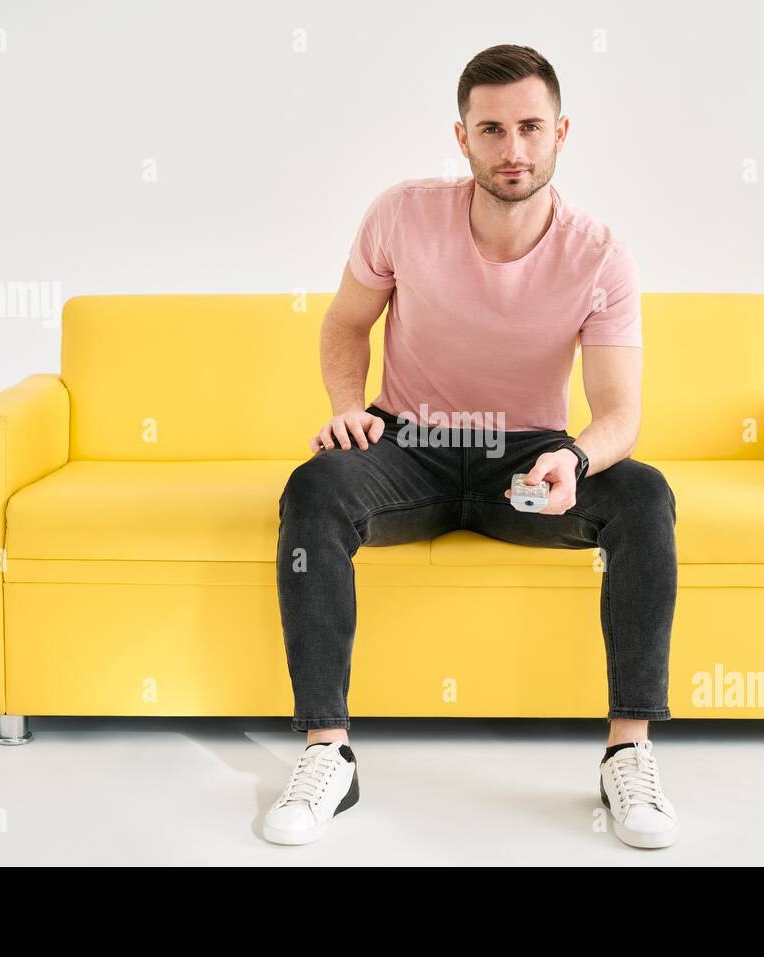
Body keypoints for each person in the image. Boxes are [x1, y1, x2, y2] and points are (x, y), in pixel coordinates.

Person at [263, 44, 679, 850]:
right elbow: (346, 323)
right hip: (407, 444)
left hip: (526, 458)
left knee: (644, 495)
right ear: (462, 139)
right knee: (314, 486)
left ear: (561, 132)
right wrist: (349, 411)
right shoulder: (401, 214)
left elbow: (621, 413)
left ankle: (628, 749)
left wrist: (577, 460)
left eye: (529, 127)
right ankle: (327, 752)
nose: (513, 149)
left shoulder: (601, 256)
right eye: (492, 130)